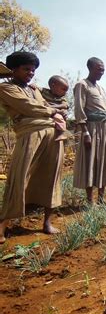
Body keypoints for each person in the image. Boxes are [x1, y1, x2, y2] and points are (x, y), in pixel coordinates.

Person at [0, 52, 66, 243]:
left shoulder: (34, 89)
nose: (31, 73)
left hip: (52, 133)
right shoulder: (6, 88)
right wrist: (54, 111)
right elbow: (28, 107)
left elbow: (44, 103)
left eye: (33, 70)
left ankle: (47, 223)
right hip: (30, 134)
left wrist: (54, 112)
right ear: (14, 70)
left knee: (52, 176)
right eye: (26, 69)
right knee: (20, 177)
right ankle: (2, 226)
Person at [73, 57, 106, 204]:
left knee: (104, 161)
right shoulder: (82, 85)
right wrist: (85, 133)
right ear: (90, 68)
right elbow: (79, 109)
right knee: (91, 161)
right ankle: (90, 201)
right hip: (92, 128)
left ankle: (101, 199)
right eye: (99, 68)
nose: (102, 71)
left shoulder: (101, 88)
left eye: (103, 69)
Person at [40, 75, 69, 141]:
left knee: (59, 117)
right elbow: (36, 88)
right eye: (63, 89)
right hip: (47, 113)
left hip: (56, 113)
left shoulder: (61, 98)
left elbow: (65, 105)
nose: (65, 92)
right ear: (53, 85)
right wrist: (33, 85)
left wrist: (51, 107)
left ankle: (61, 133)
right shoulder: (44, 91)